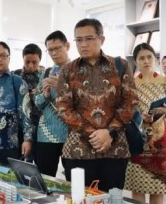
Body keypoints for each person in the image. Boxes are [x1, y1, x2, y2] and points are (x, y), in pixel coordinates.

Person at [56, 18, 137, 192]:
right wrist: (93, 134)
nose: (83, 44)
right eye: (79, 40)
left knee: (112, 202)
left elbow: (130, 102)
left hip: (114, 149)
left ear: (102, 39)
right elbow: (63, 108)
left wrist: (110, 132)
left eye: (89, 38)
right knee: (80, 202)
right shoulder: (67, 70)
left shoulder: (120, 66)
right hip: (78, 150)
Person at [126, 43, 166, 204]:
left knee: (157, 188)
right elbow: (126, 110)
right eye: (141, 58)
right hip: (138, 137)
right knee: (137, 188)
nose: (146, 61)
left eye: (149, 57)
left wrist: (165, 111)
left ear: (155, 59)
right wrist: (139, 116)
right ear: (135, 62)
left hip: (160, 138)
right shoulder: (130, 84)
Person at [34, 31, 71, 178]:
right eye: (50, 50)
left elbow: (85, 101)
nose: (54, 53)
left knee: (74, 179)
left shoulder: (77, 71)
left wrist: (62, 87)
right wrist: (45, 95)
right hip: (46, 134)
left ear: (67, 46)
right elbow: (37, 103)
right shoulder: (46, 72)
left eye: (57, 48)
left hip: (71, 134)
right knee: (44, 178)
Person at [13, 43, 45, 163]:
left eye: (34, 62)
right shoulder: (15, 76)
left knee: (40, 161)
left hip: (40, 125)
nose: (30, 65)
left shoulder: (45, 76)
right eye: (27, 62)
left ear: (40, 60)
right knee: (21, 160)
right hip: (20, 125)